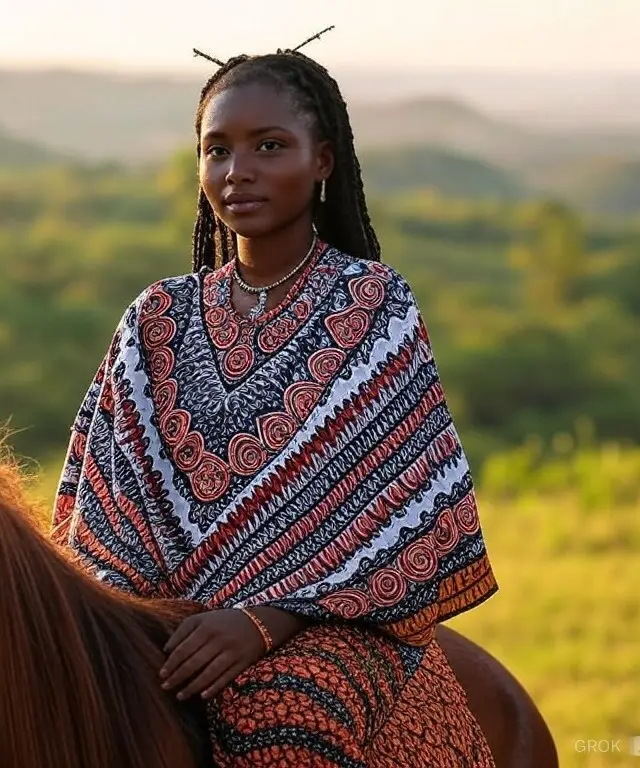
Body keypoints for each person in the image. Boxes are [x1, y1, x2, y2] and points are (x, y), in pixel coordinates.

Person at [52, 34, 498, 768]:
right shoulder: (157, 315)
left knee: (283, 720)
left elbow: (404, 509)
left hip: (325, 625)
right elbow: (109, 502)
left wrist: (265, 621)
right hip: (169, 618)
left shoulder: (372, 303)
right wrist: (154, 617)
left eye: (268, 146)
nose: (237, 172)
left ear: (321, 161)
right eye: (216, 150)